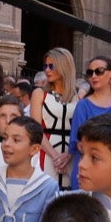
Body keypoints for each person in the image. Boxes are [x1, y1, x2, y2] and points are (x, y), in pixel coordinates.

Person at [68, 56, 111, 188]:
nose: (93, 76)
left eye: (99, 71)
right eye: (90, 73)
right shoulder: (83, 105)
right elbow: (79, 144)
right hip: (88, 171)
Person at [30, 47, 77, 187]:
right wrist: (55, 157)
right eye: (45, 66)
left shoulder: (78, 96)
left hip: (72, 155)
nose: (47, 70)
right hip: (46, 153)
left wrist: (69, 155)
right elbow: (35, 129)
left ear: (64, 67)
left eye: (52, 66)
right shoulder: (39, 94)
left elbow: (81, 129)